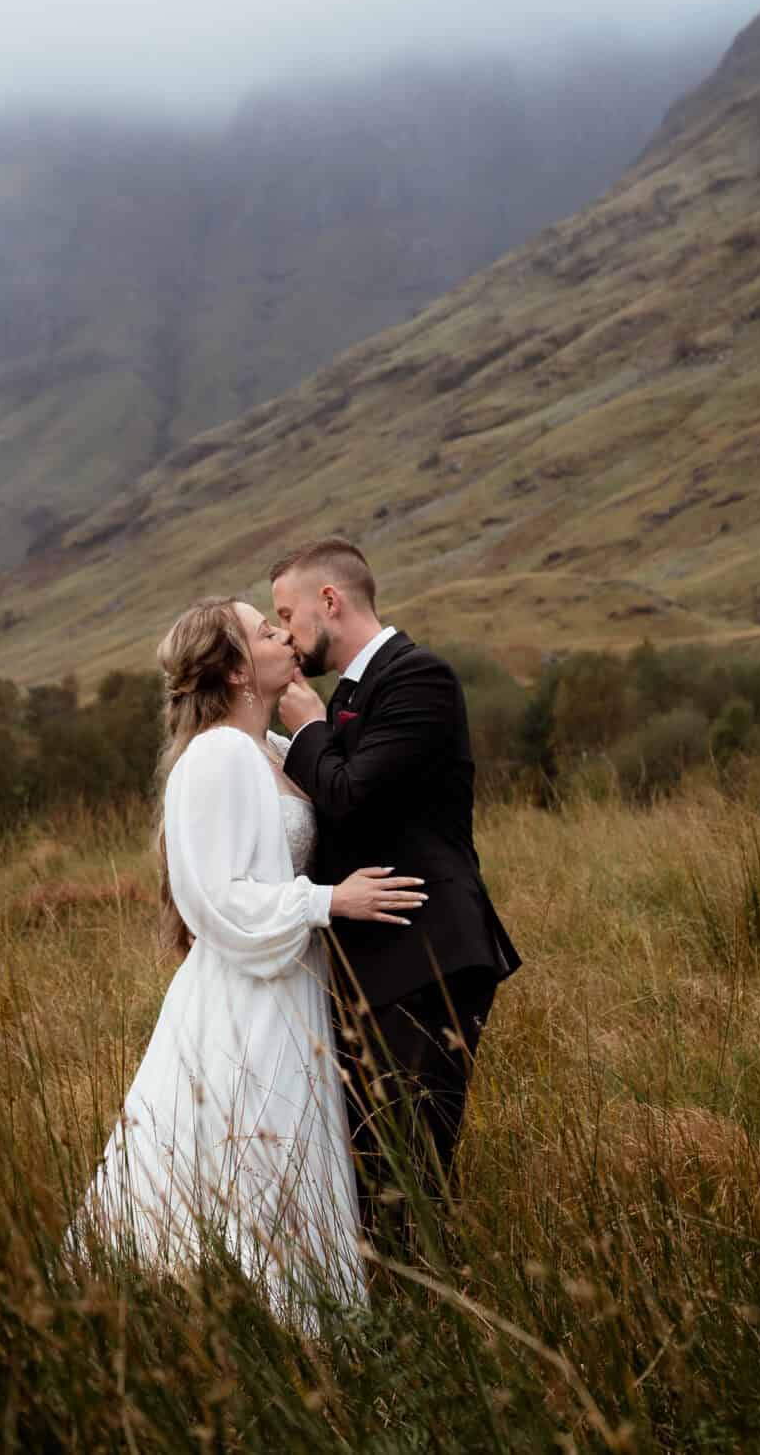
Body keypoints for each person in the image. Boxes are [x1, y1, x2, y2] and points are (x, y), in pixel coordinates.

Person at [68, 596, 426, 1330]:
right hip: (247, 999)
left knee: (284, 1161)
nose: (284, 635)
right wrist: (330, 901)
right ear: (235, 670)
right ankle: (243, 1323)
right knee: (252, 1161)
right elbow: (217, 900)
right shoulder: (217, 755)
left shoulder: (272, 750)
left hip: (291, 986)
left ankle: (293, 1325)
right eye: (265, 630)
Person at [270, 537, 522, 1262]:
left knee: (411, 1170)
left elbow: (352, 794)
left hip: (428, 954)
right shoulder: (347, 695)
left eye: (286, 615)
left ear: (330, 601)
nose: (285, 634)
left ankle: (432, 1307)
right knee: (372, 1170)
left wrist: (307, 728)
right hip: (372, 963)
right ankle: (387, 1300)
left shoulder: (418, 676)